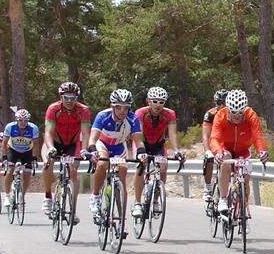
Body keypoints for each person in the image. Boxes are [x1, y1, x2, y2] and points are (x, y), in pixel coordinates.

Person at [86, 89, 147, 220]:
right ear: (112, 106)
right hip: (103, 144)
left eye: (126, 107)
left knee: (122, 175)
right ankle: (95, 196)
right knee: (102, 164)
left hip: (119, 146)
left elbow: (138, 141)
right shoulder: (103, 116)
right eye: (119, 107)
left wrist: (141, 153)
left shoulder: (133, 119)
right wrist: (92, 150)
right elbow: (93, 138)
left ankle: (121, 218)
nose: (122, 111)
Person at [207, 89, 268, 217]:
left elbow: (258, 136)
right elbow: (214, 138)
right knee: (225, 160)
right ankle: (223, 198)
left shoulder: (251, 115)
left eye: (240, 112)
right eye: (233, 112)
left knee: (245, 179)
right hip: (225, 148)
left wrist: (262, 151)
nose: (237, 116)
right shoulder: (221, 115)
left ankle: (243, 206)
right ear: (227, 109)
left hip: (243, 150)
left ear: (245, 109)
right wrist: (218, 152)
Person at [41, 82, 91, 219]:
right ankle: (48, 196)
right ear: (61, 97)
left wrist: (84, 150)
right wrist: (51, 147)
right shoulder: (53, 109)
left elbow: (85, 134)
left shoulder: (83, 110)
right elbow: (48, 132)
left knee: (73, 172)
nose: (69, 101)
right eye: (66, 98)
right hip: (54, 142)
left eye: (72, 98)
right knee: (47, 163)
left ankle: (73, 211)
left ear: (77, 98)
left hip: (72, 144)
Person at [132, 86, 180, 219]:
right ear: (148, 101)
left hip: (158, 145)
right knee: (141, 166)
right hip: (142, 143)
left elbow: (172, 134)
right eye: (154, 101)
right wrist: (141, 152)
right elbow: (138, 134)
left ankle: (156, 200)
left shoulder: (169, 114)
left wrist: (176, 150)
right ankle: (137, 203)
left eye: (161, 102)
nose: (158, 105)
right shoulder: (140, 113)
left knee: (163, 168)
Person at [1, 109, 40, 209]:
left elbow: (36, 145)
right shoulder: (10, 127)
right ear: (16, 120)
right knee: (10, 170)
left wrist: (34, 158)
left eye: (25, 121)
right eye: (20, 120)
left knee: (27, 173)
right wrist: (4, 158)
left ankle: (22, 195)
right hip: (13, 151)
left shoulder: (33, 128)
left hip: (27, 151)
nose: (23, 123)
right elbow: (4, 143)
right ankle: (7, 196)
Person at [201, 89, 227, 205]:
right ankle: (208, 187)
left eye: (224, 103)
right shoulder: (210, 114)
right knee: (209, 160)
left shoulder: (233, 113)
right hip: (213, 141)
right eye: (219, 103)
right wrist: (207, 151)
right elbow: (206, 135)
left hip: (226, 142)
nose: (221, 106)